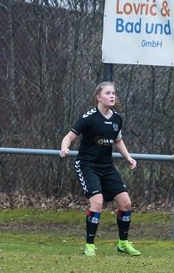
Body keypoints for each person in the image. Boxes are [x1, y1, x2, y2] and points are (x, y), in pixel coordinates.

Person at [59, 81, 139, 258]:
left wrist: (128, 157)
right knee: (97, 203)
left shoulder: (117, 119)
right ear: (98, 97)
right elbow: (69, 136)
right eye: (108, 93)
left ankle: (123, 243)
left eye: (113, 93)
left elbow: (118, 140)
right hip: (87, 166)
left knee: (126, 204)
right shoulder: (89, 118)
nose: (112, 96)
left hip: (107, 167)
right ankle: (89, 245)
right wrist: (65, 147)